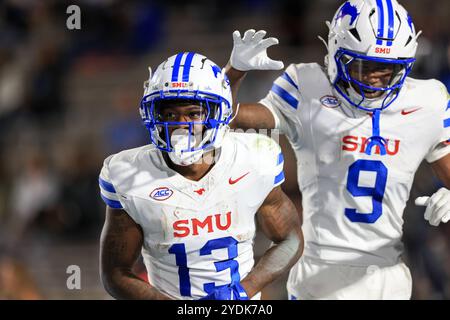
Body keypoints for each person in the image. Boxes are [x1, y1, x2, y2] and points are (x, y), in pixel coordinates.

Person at [225, 0, 450, 299]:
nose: (373, 80)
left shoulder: (428, 100)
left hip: (388, 274)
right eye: (363, 66)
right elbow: (220, 116)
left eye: (387, 71)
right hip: (320, 270)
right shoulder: (307, 84)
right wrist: (233, 73)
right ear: (334, 52)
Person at [98, 52, 303, 300]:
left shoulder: (254, 157)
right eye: (170, 115)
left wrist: (242, 291)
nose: (181, 124)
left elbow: (290, 239)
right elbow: (115, 273)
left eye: (194, 113)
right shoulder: (128, 174)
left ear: (220, 113)